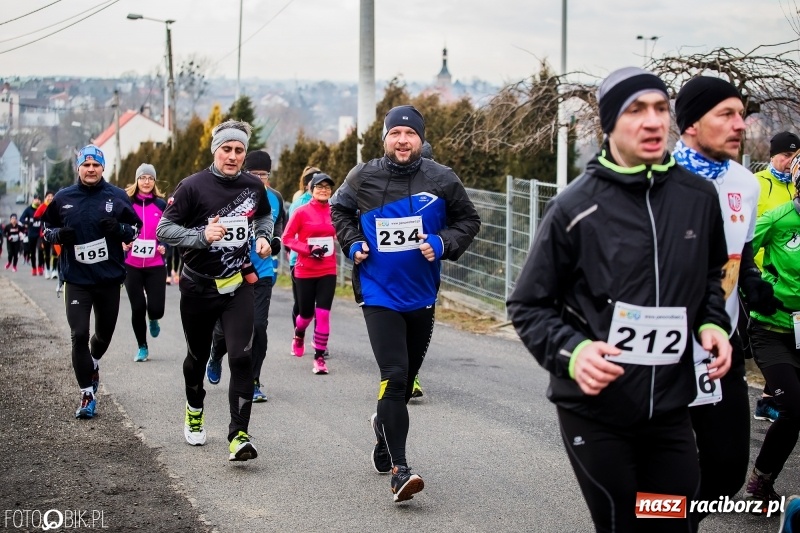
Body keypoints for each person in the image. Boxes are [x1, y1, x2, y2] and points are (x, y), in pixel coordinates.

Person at [506, 67, 732, 533]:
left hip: (670, 410)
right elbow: (528, 305)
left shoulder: (698, 198)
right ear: (609, 124)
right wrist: (575, 352)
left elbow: (711, 277)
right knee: (625, 524)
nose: (652, 122)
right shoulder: (574, 207)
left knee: (672, 522)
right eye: (635, 110)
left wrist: (711, 323)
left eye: (660, 109)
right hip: (596, 412)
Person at [331, 104, 481, 502]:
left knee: (404, 383)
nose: (402, 140)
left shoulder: (442, 178)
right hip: (378, 292)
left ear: (420, 139)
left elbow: (469, 221)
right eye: (395, 134)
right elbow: (339, 210)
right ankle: (400, 470)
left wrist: (442, 243)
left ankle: (383, 429)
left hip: (421, 294)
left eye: (409, 134)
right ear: (385, 139)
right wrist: (351, 242)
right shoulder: (363, 176)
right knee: (395, 376)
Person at [672, 76, 781, 524]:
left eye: (742, 113)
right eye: (727, 114)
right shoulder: (654, 177)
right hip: (661, 350)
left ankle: (669, 517)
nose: (741, 124)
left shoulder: (745, 182)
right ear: (691, 124)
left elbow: (742, 248)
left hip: (721, 346)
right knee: (663, 470)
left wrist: (751, 279)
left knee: (725, 471)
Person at [156, 120, 273, 462]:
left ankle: (238, 435)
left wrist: (264, 237)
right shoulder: (193, 187)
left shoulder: (253, 186)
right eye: (227, 149)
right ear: (215, 150)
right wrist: (200, 238)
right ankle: (195, 407)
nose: (233, 156)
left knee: (241, 356)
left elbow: (264, 217)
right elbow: (165, 229)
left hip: (237, 285)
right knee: (195, 356)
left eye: (239, 150)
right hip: (197, 287)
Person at [41, 145, 141, 419]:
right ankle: (87, 394)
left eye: (95, 165)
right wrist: (58, 235)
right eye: (86, 165)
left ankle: (93, 363)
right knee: (79, 335)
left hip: (108, 279)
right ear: (78, 168)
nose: (90, 170)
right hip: (77, 279)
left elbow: (136, 228)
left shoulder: (117, 197)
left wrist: (119, 229)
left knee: (103, 336)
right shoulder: (63, 198)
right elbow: (45, 229)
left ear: (102, 168)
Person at [743, 151, 800, 507]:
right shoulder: (779, 218)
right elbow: (742, 253)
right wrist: (761, 286)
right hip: (773, 330)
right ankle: (761, 480)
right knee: (794, 407)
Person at [206, 149, 285, 402]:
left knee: (258, 327)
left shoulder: (275, 198)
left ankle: (253, 379)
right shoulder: (231, 193)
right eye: (254, 173)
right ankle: (216, 354)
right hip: (230, 271)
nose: (259, 178)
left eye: (264, 174)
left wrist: (274, 242)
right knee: (224, 330)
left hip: (261, 272)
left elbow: (279, 227)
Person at [751, 131, 799, 422]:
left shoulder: (794, 186)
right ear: (772, 155)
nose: (787, 161)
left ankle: (772, 398)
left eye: (793, 157)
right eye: (784, 155)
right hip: (762, 277)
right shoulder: (758, 185)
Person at [282, 171, 337, 375]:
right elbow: (286, 238)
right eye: (319, 187)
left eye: (327, 187)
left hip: (328, 269)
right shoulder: (301, 212)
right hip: (305, 270)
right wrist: (307, 249)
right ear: (311, 189)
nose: (324, 190)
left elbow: (341, 232)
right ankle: (299, 333)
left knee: (323, 314)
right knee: (306, 314)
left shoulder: (334, 211)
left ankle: (319, 357)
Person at [121, 163, 168, 363]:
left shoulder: (161, 205)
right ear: (137, 180)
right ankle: (142, 346)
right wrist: (121, 242)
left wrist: (164, 244)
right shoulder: (126, 203)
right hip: (131, 264)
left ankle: (154, 318)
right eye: (142, 178)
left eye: (150, 178)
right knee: (138, 307)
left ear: (154, 181)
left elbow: (169, 230)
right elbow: (118, 226)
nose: (146, 181)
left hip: (155, 263)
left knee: (156, 308)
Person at [287, 165, 320, 329]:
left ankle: (319, 343)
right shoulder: (299, 204)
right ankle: (297, 333)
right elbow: (289, 235)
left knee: (321, 305)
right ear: (308, 185)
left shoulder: (327, 203)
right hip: (300, 260)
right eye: (317, 182)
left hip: (322, 260)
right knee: (302, 304)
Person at [33, 191, 57, 279]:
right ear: (45, 197)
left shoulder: (56, 205)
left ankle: (54, 270)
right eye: (48, 196)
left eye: (52, 196)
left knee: (55, 252)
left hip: (55, 232)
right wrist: (44, 219)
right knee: (46, 252)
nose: (50, 198)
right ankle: (47, 270)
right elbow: (35, 216)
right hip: (44, 233)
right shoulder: (42, 206)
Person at [19, 193, 43, 275]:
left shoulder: (42, 208)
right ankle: (34, 268)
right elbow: (21, 219)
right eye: (36, 199)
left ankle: (40, 267)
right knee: (32, 252)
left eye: (39, 199)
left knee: (40, 250)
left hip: (40, 233)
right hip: (31, 233)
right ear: (33, 200)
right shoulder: (28, 209)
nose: (38, 201)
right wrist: (28, 222)